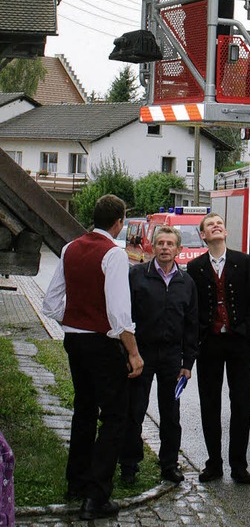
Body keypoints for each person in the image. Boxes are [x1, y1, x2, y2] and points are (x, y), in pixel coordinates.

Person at [42, 195, 143, 522]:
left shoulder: (71, 248)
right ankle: (97, 495)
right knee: (114, 415)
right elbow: (118, 314)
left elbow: (52, 301)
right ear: (118, 222)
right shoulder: (113, 253)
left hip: (74, 340)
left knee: (84, 409)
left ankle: (77, 481)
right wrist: (133, 352)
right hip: (101, 342)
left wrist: (70, 321)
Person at [187, 213, 250, 484]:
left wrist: (246, 329)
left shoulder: (242, 261)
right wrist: (199, 333)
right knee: (210, 403)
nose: (216, 226)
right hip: (209, 343)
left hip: (238, 342)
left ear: (226, 232)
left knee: (242, 403)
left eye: (220, 223)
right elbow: (192, 307)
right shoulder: (195, 267)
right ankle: (213, 463)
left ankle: (239, 465)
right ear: (204, 236)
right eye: (210, 225)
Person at [119, 226, 198, 485]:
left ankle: (169, 464)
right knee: (134, 410)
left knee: (171, 414)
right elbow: (124, 317)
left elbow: (191, 325)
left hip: (172, 357)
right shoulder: (137, 275)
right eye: (160, 243)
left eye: (170, 244)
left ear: (179, 250)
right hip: (141, 353)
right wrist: (129, 353)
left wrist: (187, 364)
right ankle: (129, 465)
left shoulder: (186, 283)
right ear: (152, 247)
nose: (165, 248)